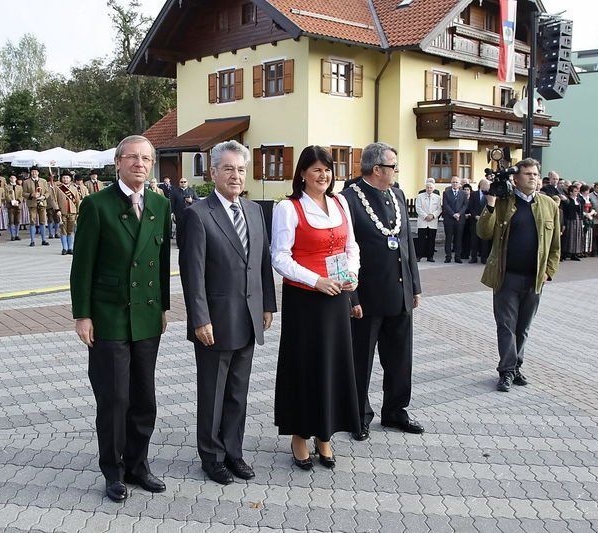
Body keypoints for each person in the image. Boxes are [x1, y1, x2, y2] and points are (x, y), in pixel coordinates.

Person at [70, 135, 172, 501]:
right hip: (109, 315)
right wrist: (82, 315)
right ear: (117, 162)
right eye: (132, 157)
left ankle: (137, 465)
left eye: (146, 158)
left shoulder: (160, 204)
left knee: (144, 399)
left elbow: (162, 261)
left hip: (146, 314)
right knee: (114, 399)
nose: (140, 164)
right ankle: (113, 471)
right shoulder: (96, 205)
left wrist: (163, 307)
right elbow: (82, 265)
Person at [179, 140, 276, 485]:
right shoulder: (197, 214)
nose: (236, 175)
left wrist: (267, 304)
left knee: (237, 391)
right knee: (213, 392)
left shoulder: (254, 210)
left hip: (248, 317)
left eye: (241, 169)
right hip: (215, 321)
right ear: (213, 172)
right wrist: (199, 318)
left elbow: (262, 261)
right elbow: (192, 273)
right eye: (229, 169)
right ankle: (212, 456)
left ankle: (234, 451)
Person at [271, 146, 360, 470]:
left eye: (328, 169)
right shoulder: (288, 208)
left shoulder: (340, 202)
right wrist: (315, 281)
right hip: (304, 300)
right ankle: (299, 435)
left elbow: (351, 246)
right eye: (317, 169)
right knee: (304, 366)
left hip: (336, 296)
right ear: (303, 174)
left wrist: (352, 275)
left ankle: (325, 434)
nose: (324, 175)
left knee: (332, 365)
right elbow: (279, 257)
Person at [340, 142, 424, 442]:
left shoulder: (397, 194)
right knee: (360, 361)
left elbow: (407, 243)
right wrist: (351, 296)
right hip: (366, 297)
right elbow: (343, 250)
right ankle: (358, 415)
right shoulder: (349, 199)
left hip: (399, 291)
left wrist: (414, 285)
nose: (396, 171)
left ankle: (395, 411)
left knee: (400, 358)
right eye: (393, 166)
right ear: (377, 169)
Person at [476, 158, 560, 392]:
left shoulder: (549, 205)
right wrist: (490, 203)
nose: (532, 178)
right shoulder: (504, 203)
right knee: (506, 326)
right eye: (527, 174)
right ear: (515, 178)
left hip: (534, 278)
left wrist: (548, 272)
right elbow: (483, 232)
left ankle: (515, 367)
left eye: (535, 174)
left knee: (523, 327)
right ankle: (506, 371)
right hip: (507, 276)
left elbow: (555, 245)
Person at [441, 175, 468, 263]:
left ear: (459, 183)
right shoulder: (446, 193)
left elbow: (465, 205)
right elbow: (445, 205)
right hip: (449, 219)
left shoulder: (463, 193)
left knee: (458, 239)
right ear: (451, 183)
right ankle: (448, 256)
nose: (455, 184)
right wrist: (453, 214)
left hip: (460, 219)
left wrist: (459, 214)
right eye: (453, 182)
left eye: (456, 182)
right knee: (448, 238)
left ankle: (457, 257)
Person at [414, 178, 441, 262]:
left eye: (431, 188)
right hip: (423, 221)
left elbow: (439, 209)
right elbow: (418, 208)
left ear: (433, 189)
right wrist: (426, 216)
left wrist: (432, 215)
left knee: (431, 240)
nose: (429, 189)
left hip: (432, 221)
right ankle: (419, 255)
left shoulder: (437, 197)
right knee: (421, 239)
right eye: (427, 187)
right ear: (425, 188)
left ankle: (430, 256)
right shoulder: (419, 196)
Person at [23, 165, 50, 247]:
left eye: (35, 171)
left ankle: (44, 239)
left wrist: (44, 197)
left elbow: (47, 192)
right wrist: (31, 195)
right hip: (32, 203)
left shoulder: (43, 181)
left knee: (43, 221)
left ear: (38, 173)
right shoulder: (26, 182)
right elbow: (23, 193)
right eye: (32, 171)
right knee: (32, 221)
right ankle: (32, 240)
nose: (34, 173)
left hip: (42, 203)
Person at [55, 170, 80, 255]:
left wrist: (78, 211)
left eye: (67, 178)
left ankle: (70, 248)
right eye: (64, 178)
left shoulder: (74, 188)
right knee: (63, 230)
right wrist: (57, 209)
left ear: (70, 179)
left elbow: (77, 201)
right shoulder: (57, 188)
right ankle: (64, 248)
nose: (65, 179)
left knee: (71, 230)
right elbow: (54, 200)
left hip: (72, 212)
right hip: (62, 212)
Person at [468, 178, 492, 263]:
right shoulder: (474, 194)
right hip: (475, 220)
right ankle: (473, 258)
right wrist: (475, 216)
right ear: (481, 185)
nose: (488, 187)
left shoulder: (490, 195)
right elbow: (470, 206)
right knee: (474, 240)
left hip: (485, 221)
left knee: (484, 241)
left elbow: (491, 207)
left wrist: (484, 217)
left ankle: (484, 258)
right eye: (486, 185)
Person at [171, 177, 199, 246]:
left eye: (184, 182)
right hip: (179, 215)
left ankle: (189, 243)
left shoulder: (192, 191)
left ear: (187, 183)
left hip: (190, 214)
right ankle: (179, 244)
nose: (183, 183)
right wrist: (171, 214)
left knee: (189, 229)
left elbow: (198, 201)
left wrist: (191, 201)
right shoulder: (175, 192)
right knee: (179, 230)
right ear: (179, 183)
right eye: (181, 182)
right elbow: (172, 204)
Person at [561, 185, 583, 261]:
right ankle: (564, 254)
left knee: (577, 237)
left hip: (578, 220)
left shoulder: (579, 200)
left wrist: (582, 220)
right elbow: (566, 210)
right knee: (568, 237)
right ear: (570, 192)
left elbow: (581, 211)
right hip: (570, 220)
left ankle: (574, 254)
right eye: (575, 191)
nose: (577, 193)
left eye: (577, 191)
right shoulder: (567, 200)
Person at [5, 173, 23, 241]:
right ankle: (12, 235)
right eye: (11, 178)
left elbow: (21, 195)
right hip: (10, 206)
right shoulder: (7, 187)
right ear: (9, 179)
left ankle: (17, 234)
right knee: (11, 220)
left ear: (16, 179)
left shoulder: (19, 187)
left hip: (18, 205)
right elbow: (6, 195)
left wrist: (18, 201)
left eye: (14, 178)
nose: (13, 179)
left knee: (17, 220)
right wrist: (11, 201)